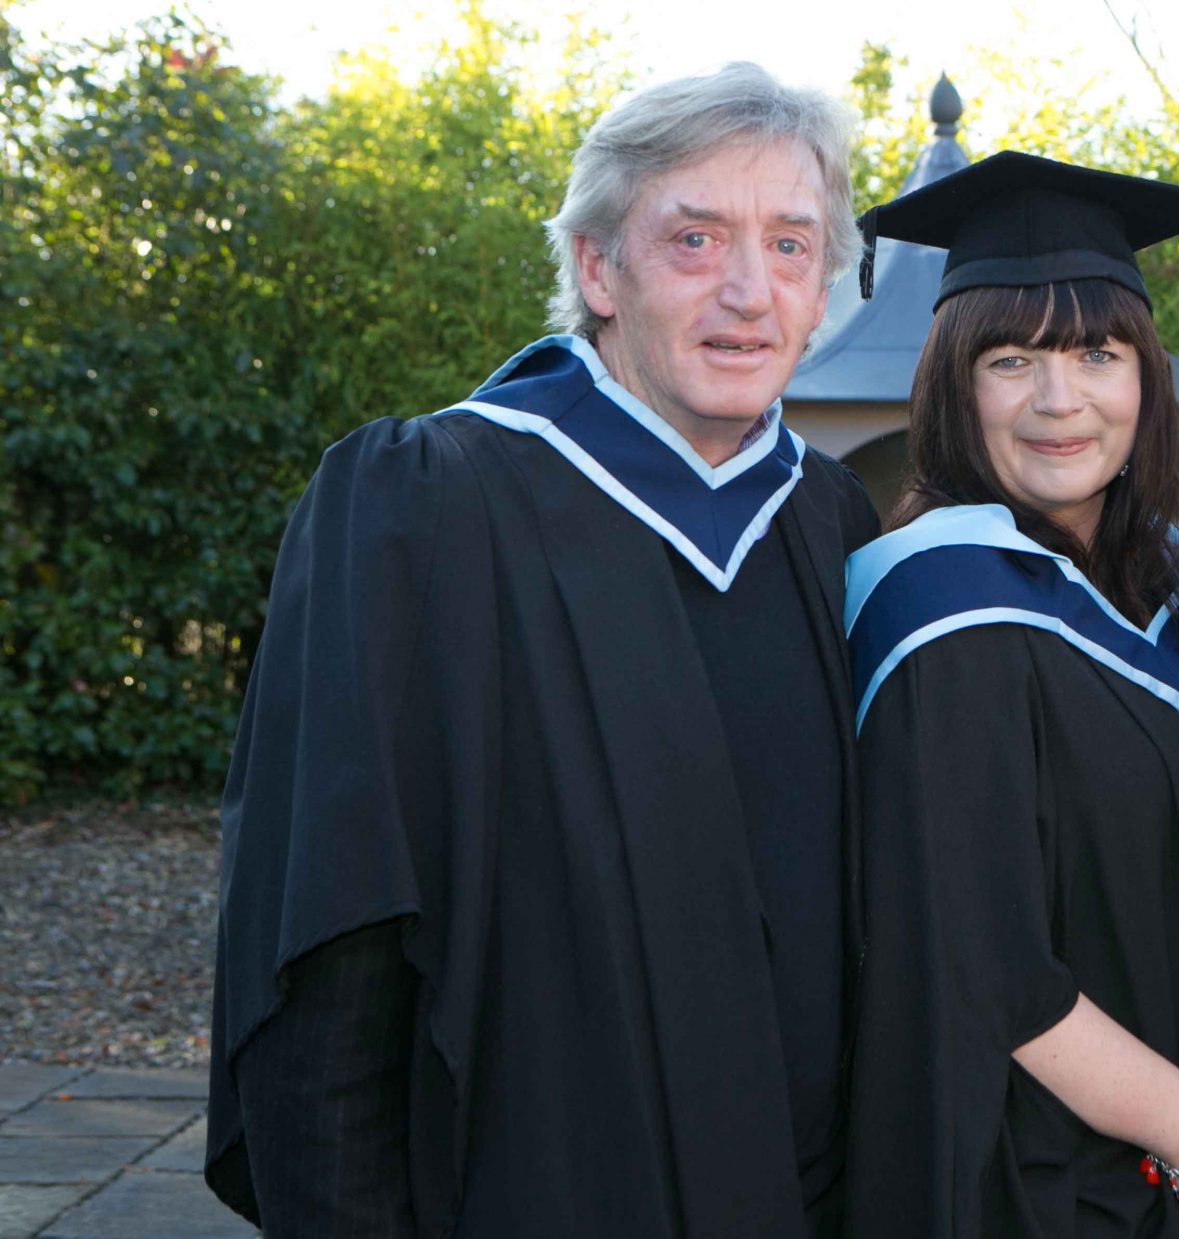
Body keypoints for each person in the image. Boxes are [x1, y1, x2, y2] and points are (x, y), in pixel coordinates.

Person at [204, 64, 878, 1237]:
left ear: (823, 288)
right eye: (694, 239)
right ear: (596, 268)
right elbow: (331, 953)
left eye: (788, 245)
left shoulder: (830, 523)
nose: (747, 291)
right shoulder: (423, 506)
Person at [842, 152, 1179, 1237]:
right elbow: (984, 952)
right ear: (955, 386)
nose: (1059, 400)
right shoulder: (937, 607)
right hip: (1031, 1180)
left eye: (1097, 353)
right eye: (1010, 359)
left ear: (1145, 379)